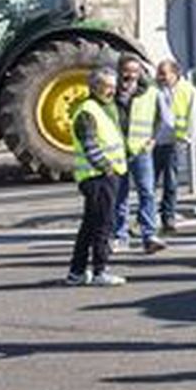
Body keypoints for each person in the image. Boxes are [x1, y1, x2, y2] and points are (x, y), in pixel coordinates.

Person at [68, 66, 129, 287]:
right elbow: (90, 145)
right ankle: (100, 271)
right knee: (104, 224)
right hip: (98, 177)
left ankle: (76, 272)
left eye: (113, 86)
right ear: (94, 87)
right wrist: (106, 167)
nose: (112, 91)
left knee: (90, 225)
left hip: (101, 175)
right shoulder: (88, 111)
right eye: (107, 87)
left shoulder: (104, 108)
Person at [114, 56, 169, 254]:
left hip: (141, 152)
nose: (130, 76)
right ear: (119, 71)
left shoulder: (151, 93)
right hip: (117, 153)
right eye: (126, 71)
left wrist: (154, 139)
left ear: (140, 73)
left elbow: (163, 119)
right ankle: (120, 236)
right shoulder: (110, 92)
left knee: (147, 192)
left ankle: (149, 235)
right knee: (119, 196)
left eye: (134, 71)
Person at [153, 59, 196, 235]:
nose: (160, 77)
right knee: (148, 183)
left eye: (163, 73)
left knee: (170, 182)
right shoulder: (154, 89)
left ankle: (168, 218)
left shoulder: (188, 90)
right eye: (159, 73)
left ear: (175, 74)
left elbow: (195, 115)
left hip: (175, 141)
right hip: (154, 142)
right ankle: (147, 218)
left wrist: (188, 138)